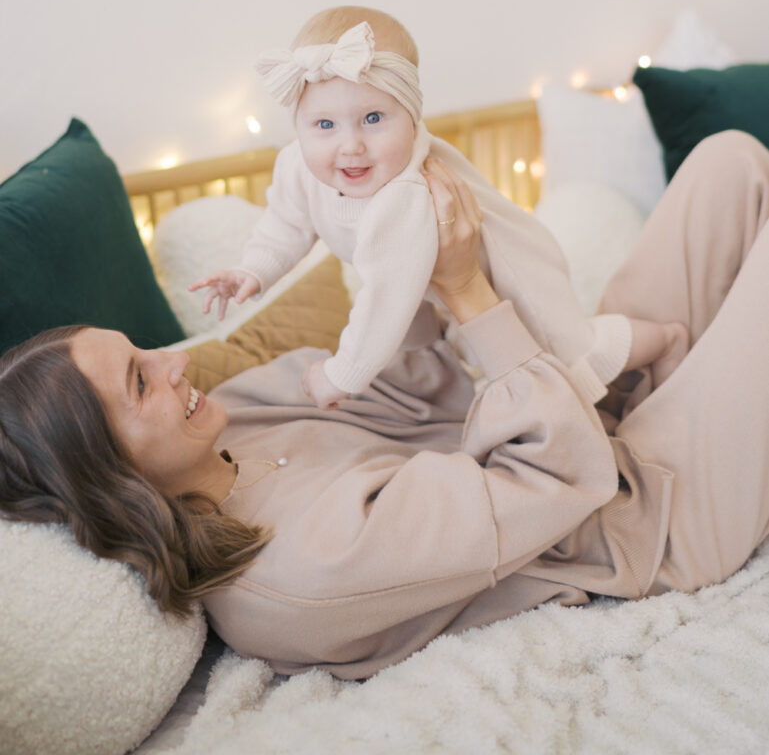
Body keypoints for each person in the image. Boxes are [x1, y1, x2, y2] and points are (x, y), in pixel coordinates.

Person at [3, 129, 769, 681]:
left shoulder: (229, 418)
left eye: (144, 351)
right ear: (110, 474)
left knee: (729, 159)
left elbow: (414, 383)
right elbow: (556, 478)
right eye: (141, 382)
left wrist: (395, 254)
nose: (174, 361)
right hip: (649, 513)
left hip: (589, 412)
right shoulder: (298, 574)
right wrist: (468, 292)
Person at [190, 6, 687, 409]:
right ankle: (443, 394)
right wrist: (253, 270)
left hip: (507, 275)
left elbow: (384, 296)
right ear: (298, 124)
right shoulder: (298, 165)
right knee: (445, 350)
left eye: (373, 118)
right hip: (434, 291)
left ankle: (663, 339)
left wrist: (340, 376)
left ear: (412, 117)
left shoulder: (405, 195)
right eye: (325, 125)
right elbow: (286, 224)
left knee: (568, 358)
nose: (351, 146)